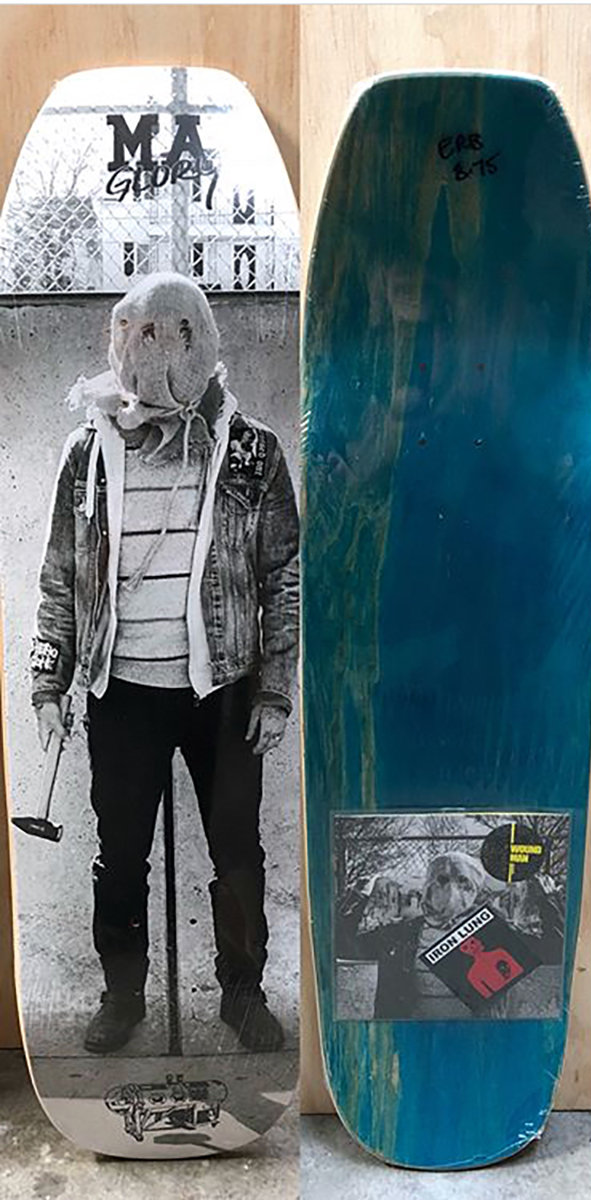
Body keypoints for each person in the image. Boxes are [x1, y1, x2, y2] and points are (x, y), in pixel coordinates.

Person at [31, 272, 298, 1053]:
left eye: (167, 331)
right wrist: (49, 681)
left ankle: (242, 993)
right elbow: (60, 572)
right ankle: (122, 995)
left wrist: (274, 691)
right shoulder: (89, 453)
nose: (150, 346)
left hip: (225, 687)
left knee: (238, 853)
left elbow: (282, 575)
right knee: (120, 858)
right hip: (121, 691)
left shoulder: (250, 451)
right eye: (135, 331)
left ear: (198, 338)